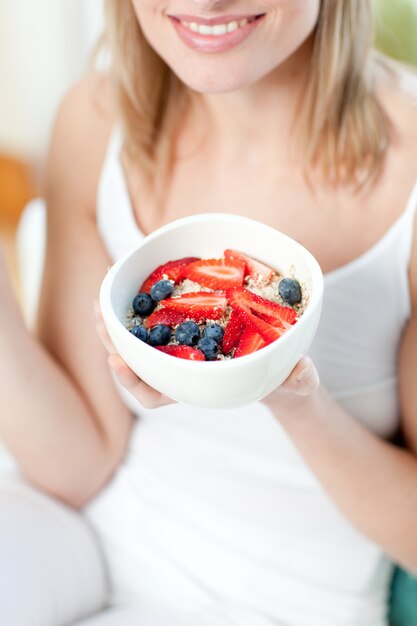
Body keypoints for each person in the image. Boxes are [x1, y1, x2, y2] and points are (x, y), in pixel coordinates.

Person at [0, 1, 417, 624]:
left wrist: (288, 393)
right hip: (88, 547)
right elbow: (80, 467)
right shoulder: (95, 120)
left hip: (285, 604)